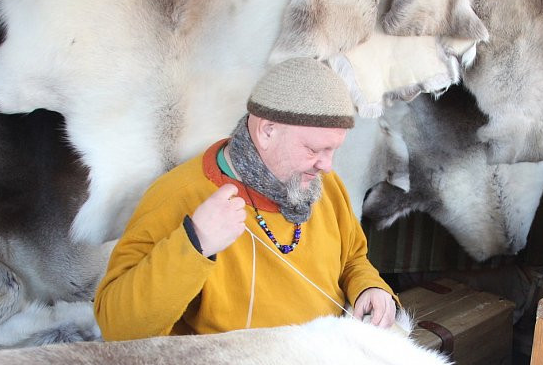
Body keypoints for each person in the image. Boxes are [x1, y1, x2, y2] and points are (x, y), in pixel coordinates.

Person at [94, 58, 398, 341]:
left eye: (333, 150)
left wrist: (367, 287)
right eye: (313, 149)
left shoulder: (322, 184)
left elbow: (353, 259)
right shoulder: (178, 195)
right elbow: (117, 327)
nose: (327, 166)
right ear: (268, 131)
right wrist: (194, 243)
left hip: (325, 364)